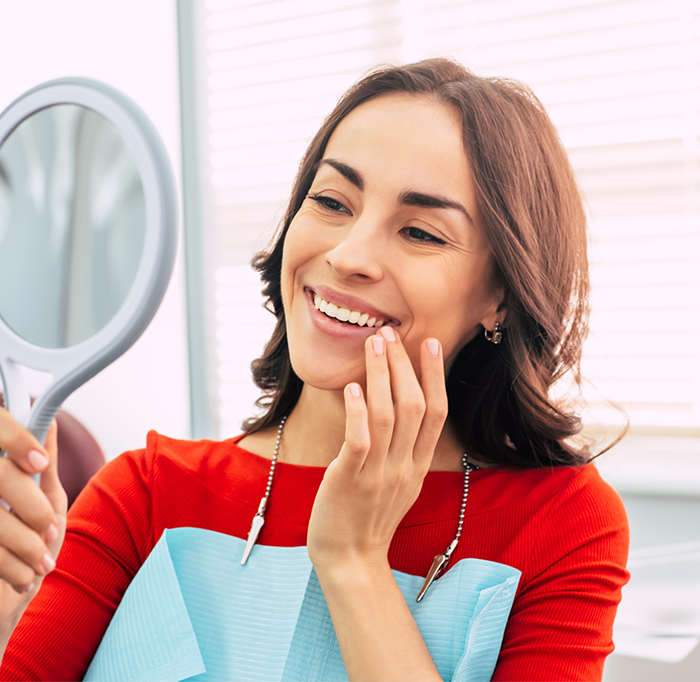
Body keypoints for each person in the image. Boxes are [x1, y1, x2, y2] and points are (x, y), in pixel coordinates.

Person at [0, 59, 629, 681]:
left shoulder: (562, 525)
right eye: (331, 201)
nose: (349, 255)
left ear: (499, 295)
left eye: (420, 232)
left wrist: (353, 561)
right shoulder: (145, 493)